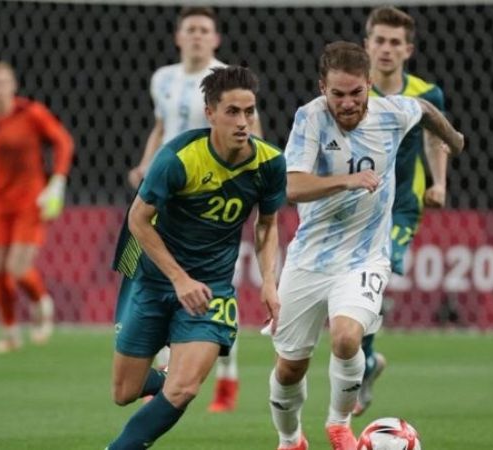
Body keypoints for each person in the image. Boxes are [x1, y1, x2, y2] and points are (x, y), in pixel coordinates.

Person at [268, 41, 463, 450]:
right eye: (337, 94)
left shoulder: (392, 112)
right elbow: (291, 186)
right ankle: (290, 440)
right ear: (323, 87)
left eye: (356, 92)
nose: (348, 103)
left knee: (346, 338)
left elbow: (425, 111)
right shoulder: (310, 119)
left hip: (364, 258)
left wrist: (454, 137)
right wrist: (347, 181)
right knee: (289, 367)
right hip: (309, 257)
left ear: (369, 85)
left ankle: (339, 426)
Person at [108, 66, 285, 450]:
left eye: (249, 111)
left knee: (185, 388)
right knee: (124, 392)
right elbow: (138, 220)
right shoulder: (177, 157)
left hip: (212, 289)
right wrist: (178, 278)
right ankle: (164, 375)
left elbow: (267, 225)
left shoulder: (270, 164)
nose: (243, 122)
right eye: (232, 112)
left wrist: (270, 280)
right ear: (210, 113)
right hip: (155, 279)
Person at [128, 7, 262, 411]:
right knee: (161, 280)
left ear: (215, 39)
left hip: (209, 197)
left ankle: (227, 379)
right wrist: (146, 164)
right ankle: (169, 372)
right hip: (168, 191)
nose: (198, 36)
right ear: (179, 37)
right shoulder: (162, 79)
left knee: (213, 293)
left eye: (205, 30)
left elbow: (249, 133)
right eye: (192, 30)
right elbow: (160, 125)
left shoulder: (225, 81)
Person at [354, 6, 451, 416]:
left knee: (378, 271)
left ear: (408, 49)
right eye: (380, 40)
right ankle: (367, 363)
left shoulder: (426, 94)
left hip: (402, 208)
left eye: (395, 42)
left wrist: (439, 181)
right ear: (367, 45)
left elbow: (436, 139)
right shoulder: (351, 92)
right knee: (357, 292)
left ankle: (362, 367)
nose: (387, 49)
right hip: (356, 210)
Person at [0, 61, 74, 353]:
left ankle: (41, 301)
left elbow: (63, 142)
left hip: (30, 200)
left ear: (13, 86)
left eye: (2, 83)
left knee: (18, 268)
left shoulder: (31, 113)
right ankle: (10, 333)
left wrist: (57, 181)